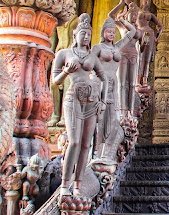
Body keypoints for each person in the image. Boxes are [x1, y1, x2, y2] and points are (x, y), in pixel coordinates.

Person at [51, 14, 108, 197]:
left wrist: (103, 100)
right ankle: (64, 184)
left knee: (85, 145)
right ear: (75, 34)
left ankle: (78, 183)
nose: (85, 37)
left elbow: (104, 78)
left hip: (91, 100)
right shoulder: (64, 54)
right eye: (82, 33)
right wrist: (66, 71)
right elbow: (55, 82)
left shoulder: (92, 55)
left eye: (88, 34)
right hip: (73, 98)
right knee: (74, 142)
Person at [92, 16, 142, 161]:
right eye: (109, 31)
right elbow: (90, 65)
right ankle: (97, 149)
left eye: (113, 32)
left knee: (113, 113)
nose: (112, 34)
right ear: (103, 33)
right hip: (101, 80)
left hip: (113, 80)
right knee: (99, 114)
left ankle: (107, 146)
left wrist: (122, 21)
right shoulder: (98, 48)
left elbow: (132, 31)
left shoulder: (116, 47)